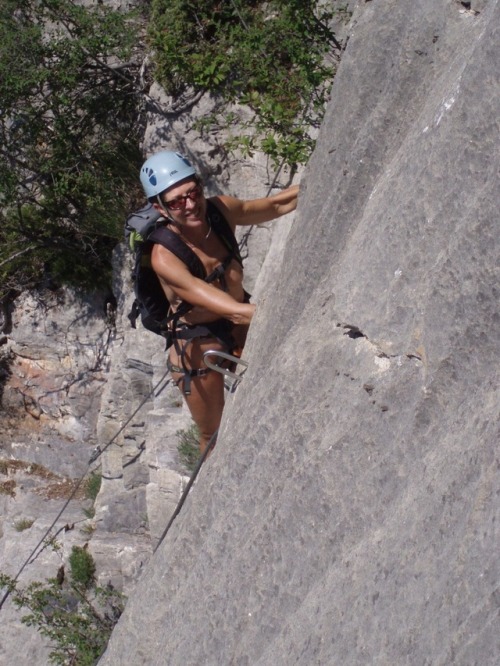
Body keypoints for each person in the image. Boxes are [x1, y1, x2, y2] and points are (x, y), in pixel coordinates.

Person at [139, 150, 298, 454]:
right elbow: (226, 307)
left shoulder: (221, 211)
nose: (189, 205)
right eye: (176, 201)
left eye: (193, 192)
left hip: (240, 324)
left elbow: (276, 205)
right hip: (200, 351)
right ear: (158, 208)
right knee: (213, 436)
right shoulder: (165, 256)